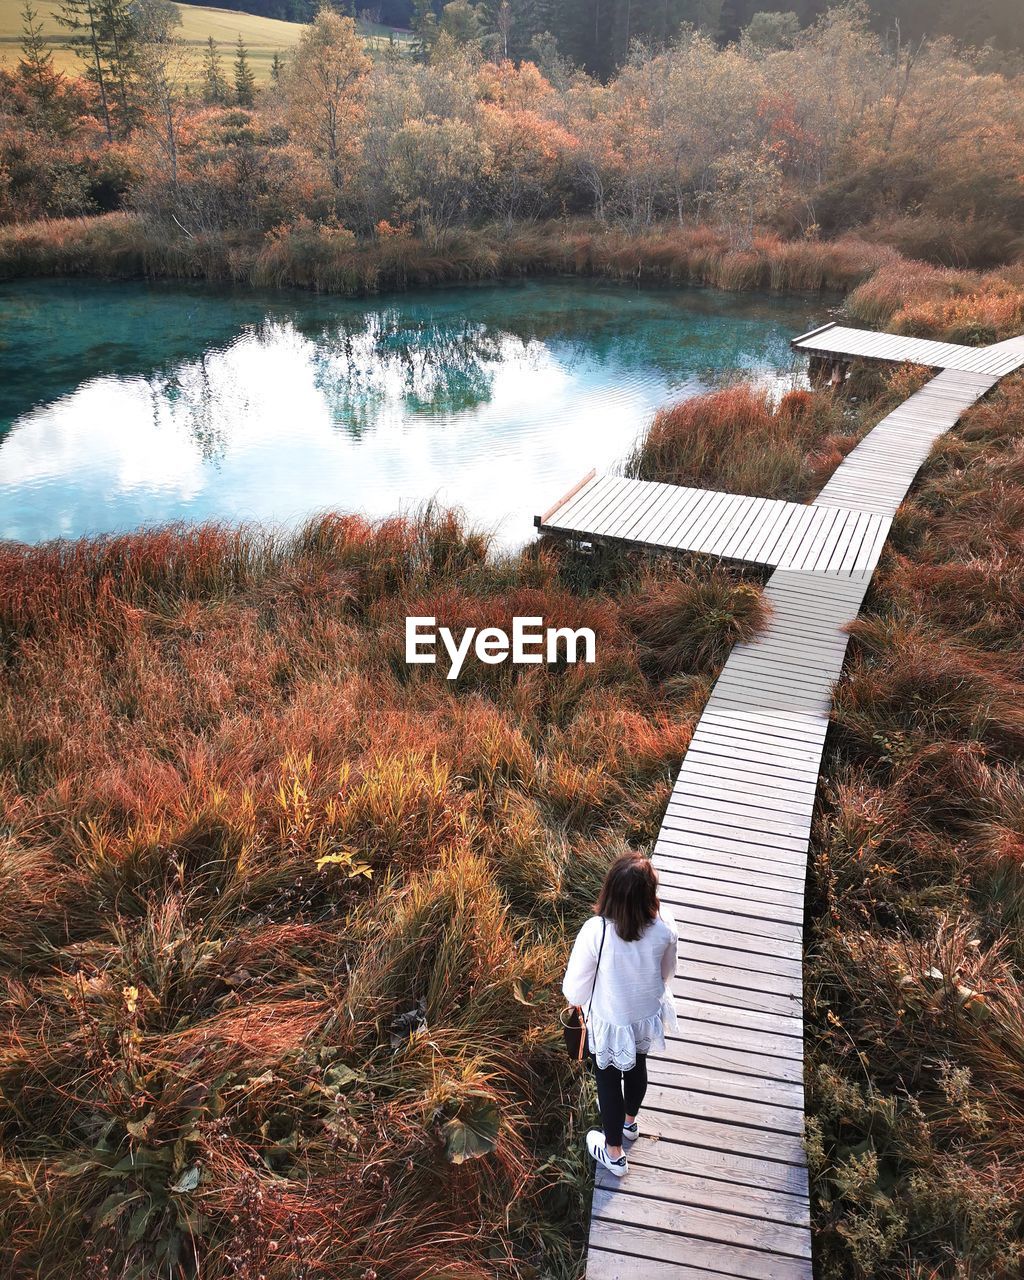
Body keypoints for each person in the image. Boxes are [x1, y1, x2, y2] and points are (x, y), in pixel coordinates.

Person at [562, 851, 678, 1177]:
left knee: (608, 1081)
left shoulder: (596, 930)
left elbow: (575, 989)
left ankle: (613, 1152)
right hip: (644, 1015)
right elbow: (668, 973)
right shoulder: (665, 926)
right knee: (638, 1065)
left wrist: (580, 1002)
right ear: (649, 893)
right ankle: (629, 1123)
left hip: (611, 1019)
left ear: (610, 889)